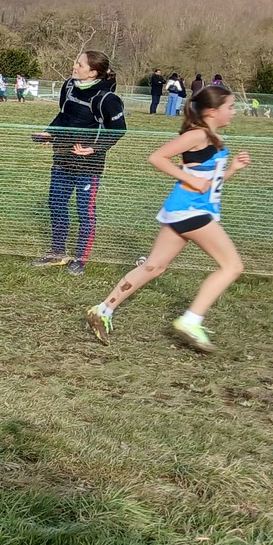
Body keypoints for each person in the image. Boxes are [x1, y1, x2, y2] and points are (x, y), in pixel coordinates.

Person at [86, 86, 250, 353]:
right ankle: (191, 321)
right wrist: (188, 178)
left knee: (154, 267)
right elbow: (157, 157)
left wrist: (233, 169)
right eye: (229, 107)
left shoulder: (214, 138)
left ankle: (102, 310)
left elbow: (209, 183)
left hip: (186, 210)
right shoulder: (197, 135)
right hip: (191, 211)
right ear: (212, 111)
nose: (233, 112)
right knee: (232, 266)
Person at [31, 50, 127, 275]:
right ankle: (57, 252)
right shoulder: (68, 86)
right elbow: (63, 116)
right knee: (56, 204)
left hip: (88, 167)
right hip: (62, 159)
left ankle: (80, 259)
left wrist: (95, 148)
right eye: (76, 62)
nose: (75, 66)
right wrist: (49, 133)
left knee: (85, 212)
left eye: (80, 64)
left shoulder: (107, 99)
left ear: (93, 72)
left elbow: (119, 130)